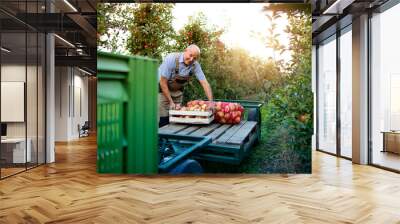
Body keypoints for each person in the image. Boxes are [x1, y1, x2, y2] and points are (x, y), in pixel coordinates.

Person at [158, 44, 213, 127]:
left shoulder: (195, 65)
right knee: (164, 118)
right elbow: (163, 82)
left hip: (177, 91)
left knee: (177, 118)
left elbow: (204, 83)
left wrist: (211, 102)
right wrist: (171, 102)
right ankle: (162, 137)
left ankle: (175, 138)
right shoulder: (172, 59)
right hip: (162, 89)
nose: (191, 59)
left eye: (194, 58)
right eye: (190, 55)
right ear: (185, 50)